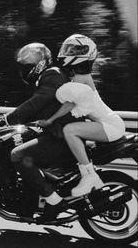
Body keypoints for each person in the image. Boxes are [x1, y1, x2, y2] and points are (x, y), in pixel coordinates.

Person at [0, 42, 83, 221]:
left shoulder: (52, 76)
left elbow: (32, 105)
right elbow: (39, 109)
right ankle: (34, 198)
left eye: (28, 65)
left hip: (63, 137)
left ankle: (54, 201)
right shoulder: (52, 76)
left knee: (18, 155)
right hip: (60, 133)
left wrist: (0, 121)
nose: (25, 69)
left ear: (41, 63)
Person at [37, 34, 126, 197]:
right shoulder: (78, 77)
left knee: (70, 130)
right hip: (107, 123)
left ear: (86, 54)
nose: (69, 52)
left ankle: (89, 176)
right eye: (69, 49)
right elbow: (69, 104)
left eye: (75, 50)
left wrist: (49, 120)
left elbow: (69, 104)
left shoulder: (82, 78)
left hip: (111, 126)